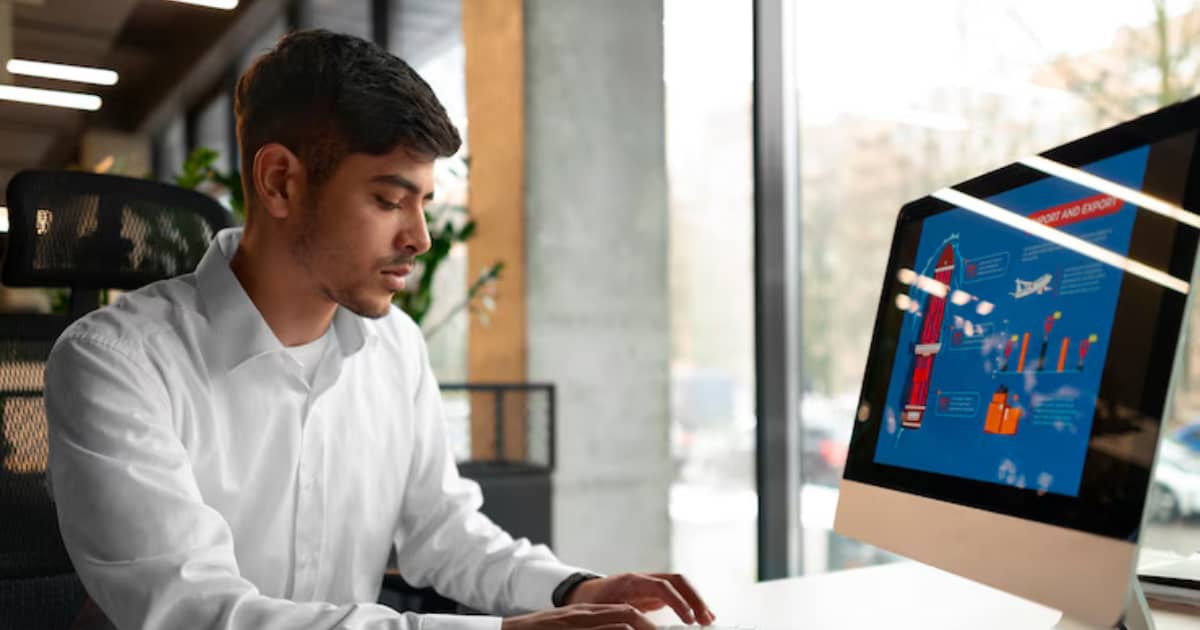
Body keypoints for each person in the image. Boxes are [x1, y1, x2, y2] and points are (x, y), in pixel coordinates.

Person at [44, 29, 715, 630]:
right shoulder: (116, 362)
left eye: (423, 203)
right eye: (389, 200)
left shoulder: (394, 346)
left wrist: (574, 589)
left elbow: (443, 531)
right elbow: (198, 613)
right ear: (279, 183)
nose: (420, 237)